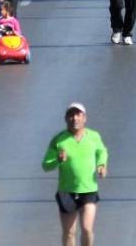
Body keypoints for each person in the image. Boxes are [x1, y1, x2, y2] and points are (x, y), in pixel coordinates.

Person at [43, 103, 110, 246]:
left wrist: (101, 165)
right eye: (71, 115)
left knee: (87, 228)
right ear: (66, 118)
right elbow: (46, 165)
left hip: (89, 189)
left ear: (85, 118)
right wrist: (58, 160)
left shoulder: (93, 136)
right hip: (66, 192)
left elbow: (102, 151)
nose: (75, 118)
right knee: (69, 232)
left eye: (78, 115)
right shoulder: (59, 140)